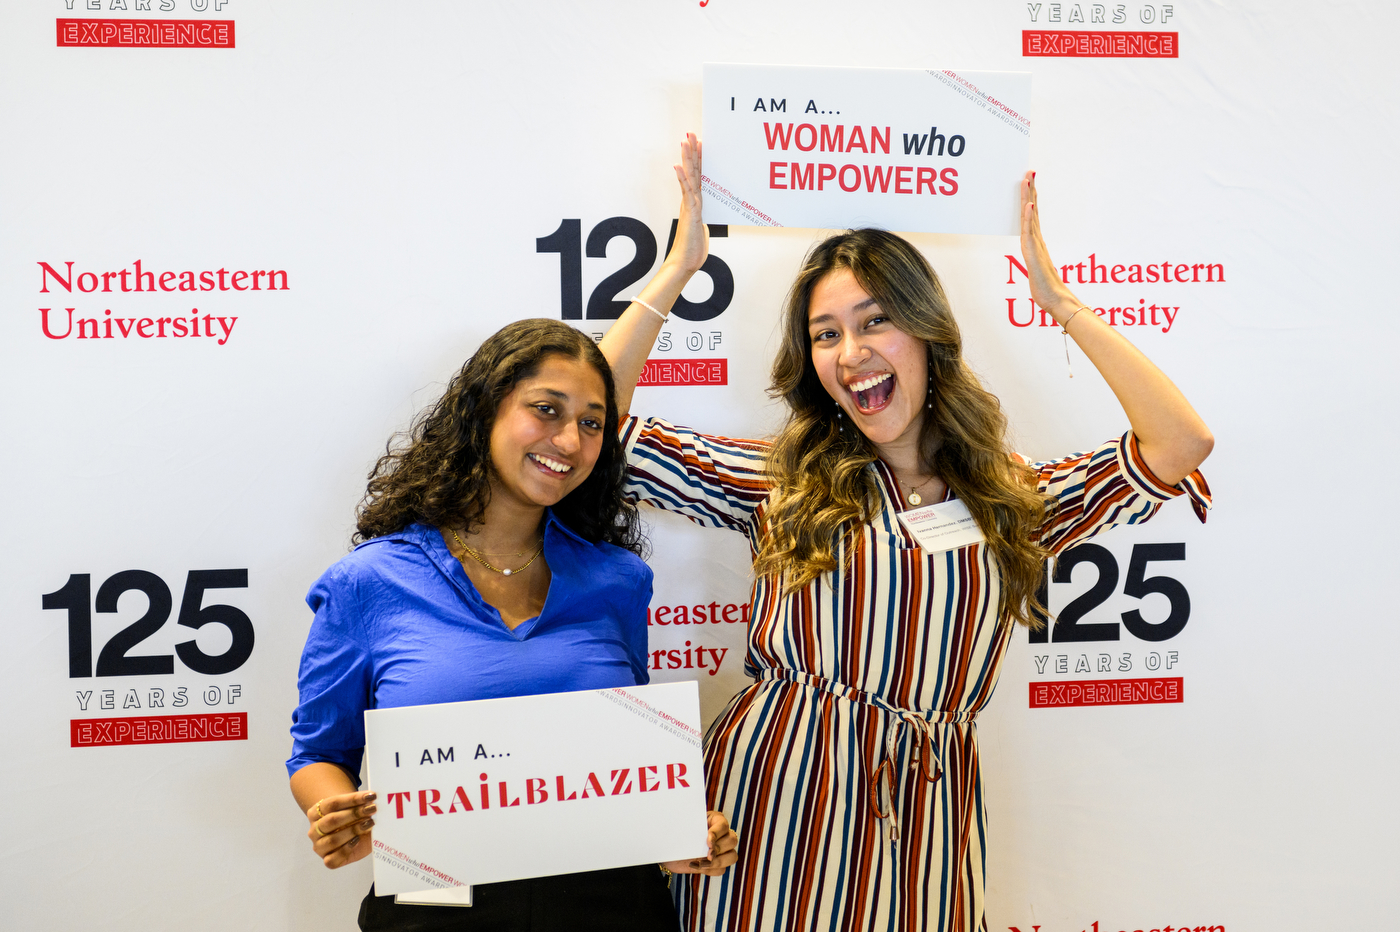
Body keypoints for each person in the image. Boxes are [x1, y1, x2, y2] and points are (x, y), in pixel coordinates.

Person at [599, 136, 1213, 932]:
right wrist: (678, 272)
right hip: (775, 807)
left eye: (876, 321)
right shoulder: (782, 474)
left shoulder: (1009, 496)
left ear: (927, 333)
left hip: (929, 826)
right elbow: (595, 428)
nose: (851, 354)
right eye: (825, 334)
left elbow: (1179, 443)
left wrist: (1061, 306)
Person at [287, 318, 739, 932]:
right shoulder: (368, 583)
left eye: (591, 423)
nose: (570, 441)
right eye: (546, 410)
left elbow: (623, 760)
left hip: (611, 910)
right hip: (437, 914)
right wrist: (333, 811)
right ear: (484, 412)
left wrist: (681, 826)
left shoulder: (619, 580)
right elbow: (317, 754)